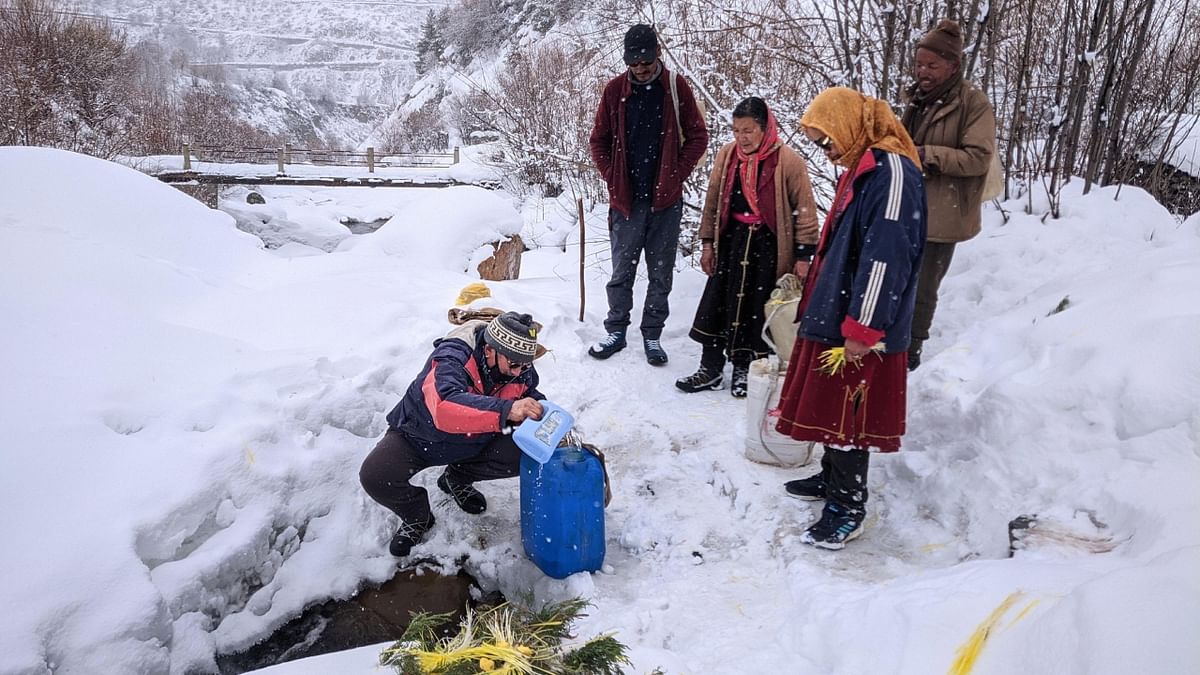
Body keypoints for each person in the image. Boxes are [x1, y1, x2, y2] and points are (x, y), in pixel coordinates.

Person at [774, 87, 927, 550]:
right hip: (837, 308)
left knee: (848, 416)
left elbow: (887, 254)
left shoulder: (893, 174)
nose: (828, 151)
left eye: (827, 140)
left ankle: (848, 505)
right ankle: (830, 478)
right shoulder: (865, 166)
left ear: (850, 123)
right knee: (829, 407)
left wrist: (865, 324)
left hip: (859, 323)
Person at [359, 312, 546, 558]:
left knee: (525, 453)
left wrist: (542, 412)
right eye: (513, 364)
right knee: (375, 476)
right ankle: (418, 515)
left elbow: (528, 394)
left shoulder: (519, 368)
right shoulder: (451, 357)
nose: (518, 371)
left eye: (525, 365)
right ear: (490, 350)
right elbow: (444, 407)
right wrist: (507, 410)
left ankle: (456, 479)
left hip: (476, 438)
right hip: (419, 437)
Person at [676, 96, 820, 398]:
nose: (741, 137)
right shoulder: (727, 156)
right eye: (736, 130)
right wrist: (707, 244)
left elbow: (805, 211)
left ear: (765, 128)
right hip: (731, 239)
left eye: (748, 130)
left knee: (754, 307)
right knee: (717, 303)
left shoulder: (789, 162)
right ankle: (710, 368)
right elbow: (713, 202)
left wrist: (804, 256)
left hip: (768, 245)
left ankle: (745, 368)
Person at [588, 23, 709, 366]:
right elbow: (598, 140)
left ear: (657, 54)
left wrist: (675, 174)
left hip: (665, 203)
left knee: (661, 274)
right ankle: (616, 329)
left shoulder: (674, 87)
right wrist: (612, 177)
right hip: (626, 202)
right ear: (626, 60)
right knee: (621, 273)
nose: (640, 68)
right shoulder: (614, 91)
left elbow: (699, 136)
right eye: (634, 62)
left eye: (646, 60)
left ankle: (653, 335)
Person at [900, 19, 997, 370]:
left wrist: (927, 154)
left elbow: (978, 157)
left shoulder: (973, 103)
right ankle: (891, 344)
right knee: (898, 280)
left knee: (923, 288)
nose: (922, 71)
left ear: (953, 66)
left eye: (931, 65)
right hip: (909, 206)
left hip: (943, 213)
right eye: (919, 64)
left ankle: (909, 354)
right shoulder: (919, 98)